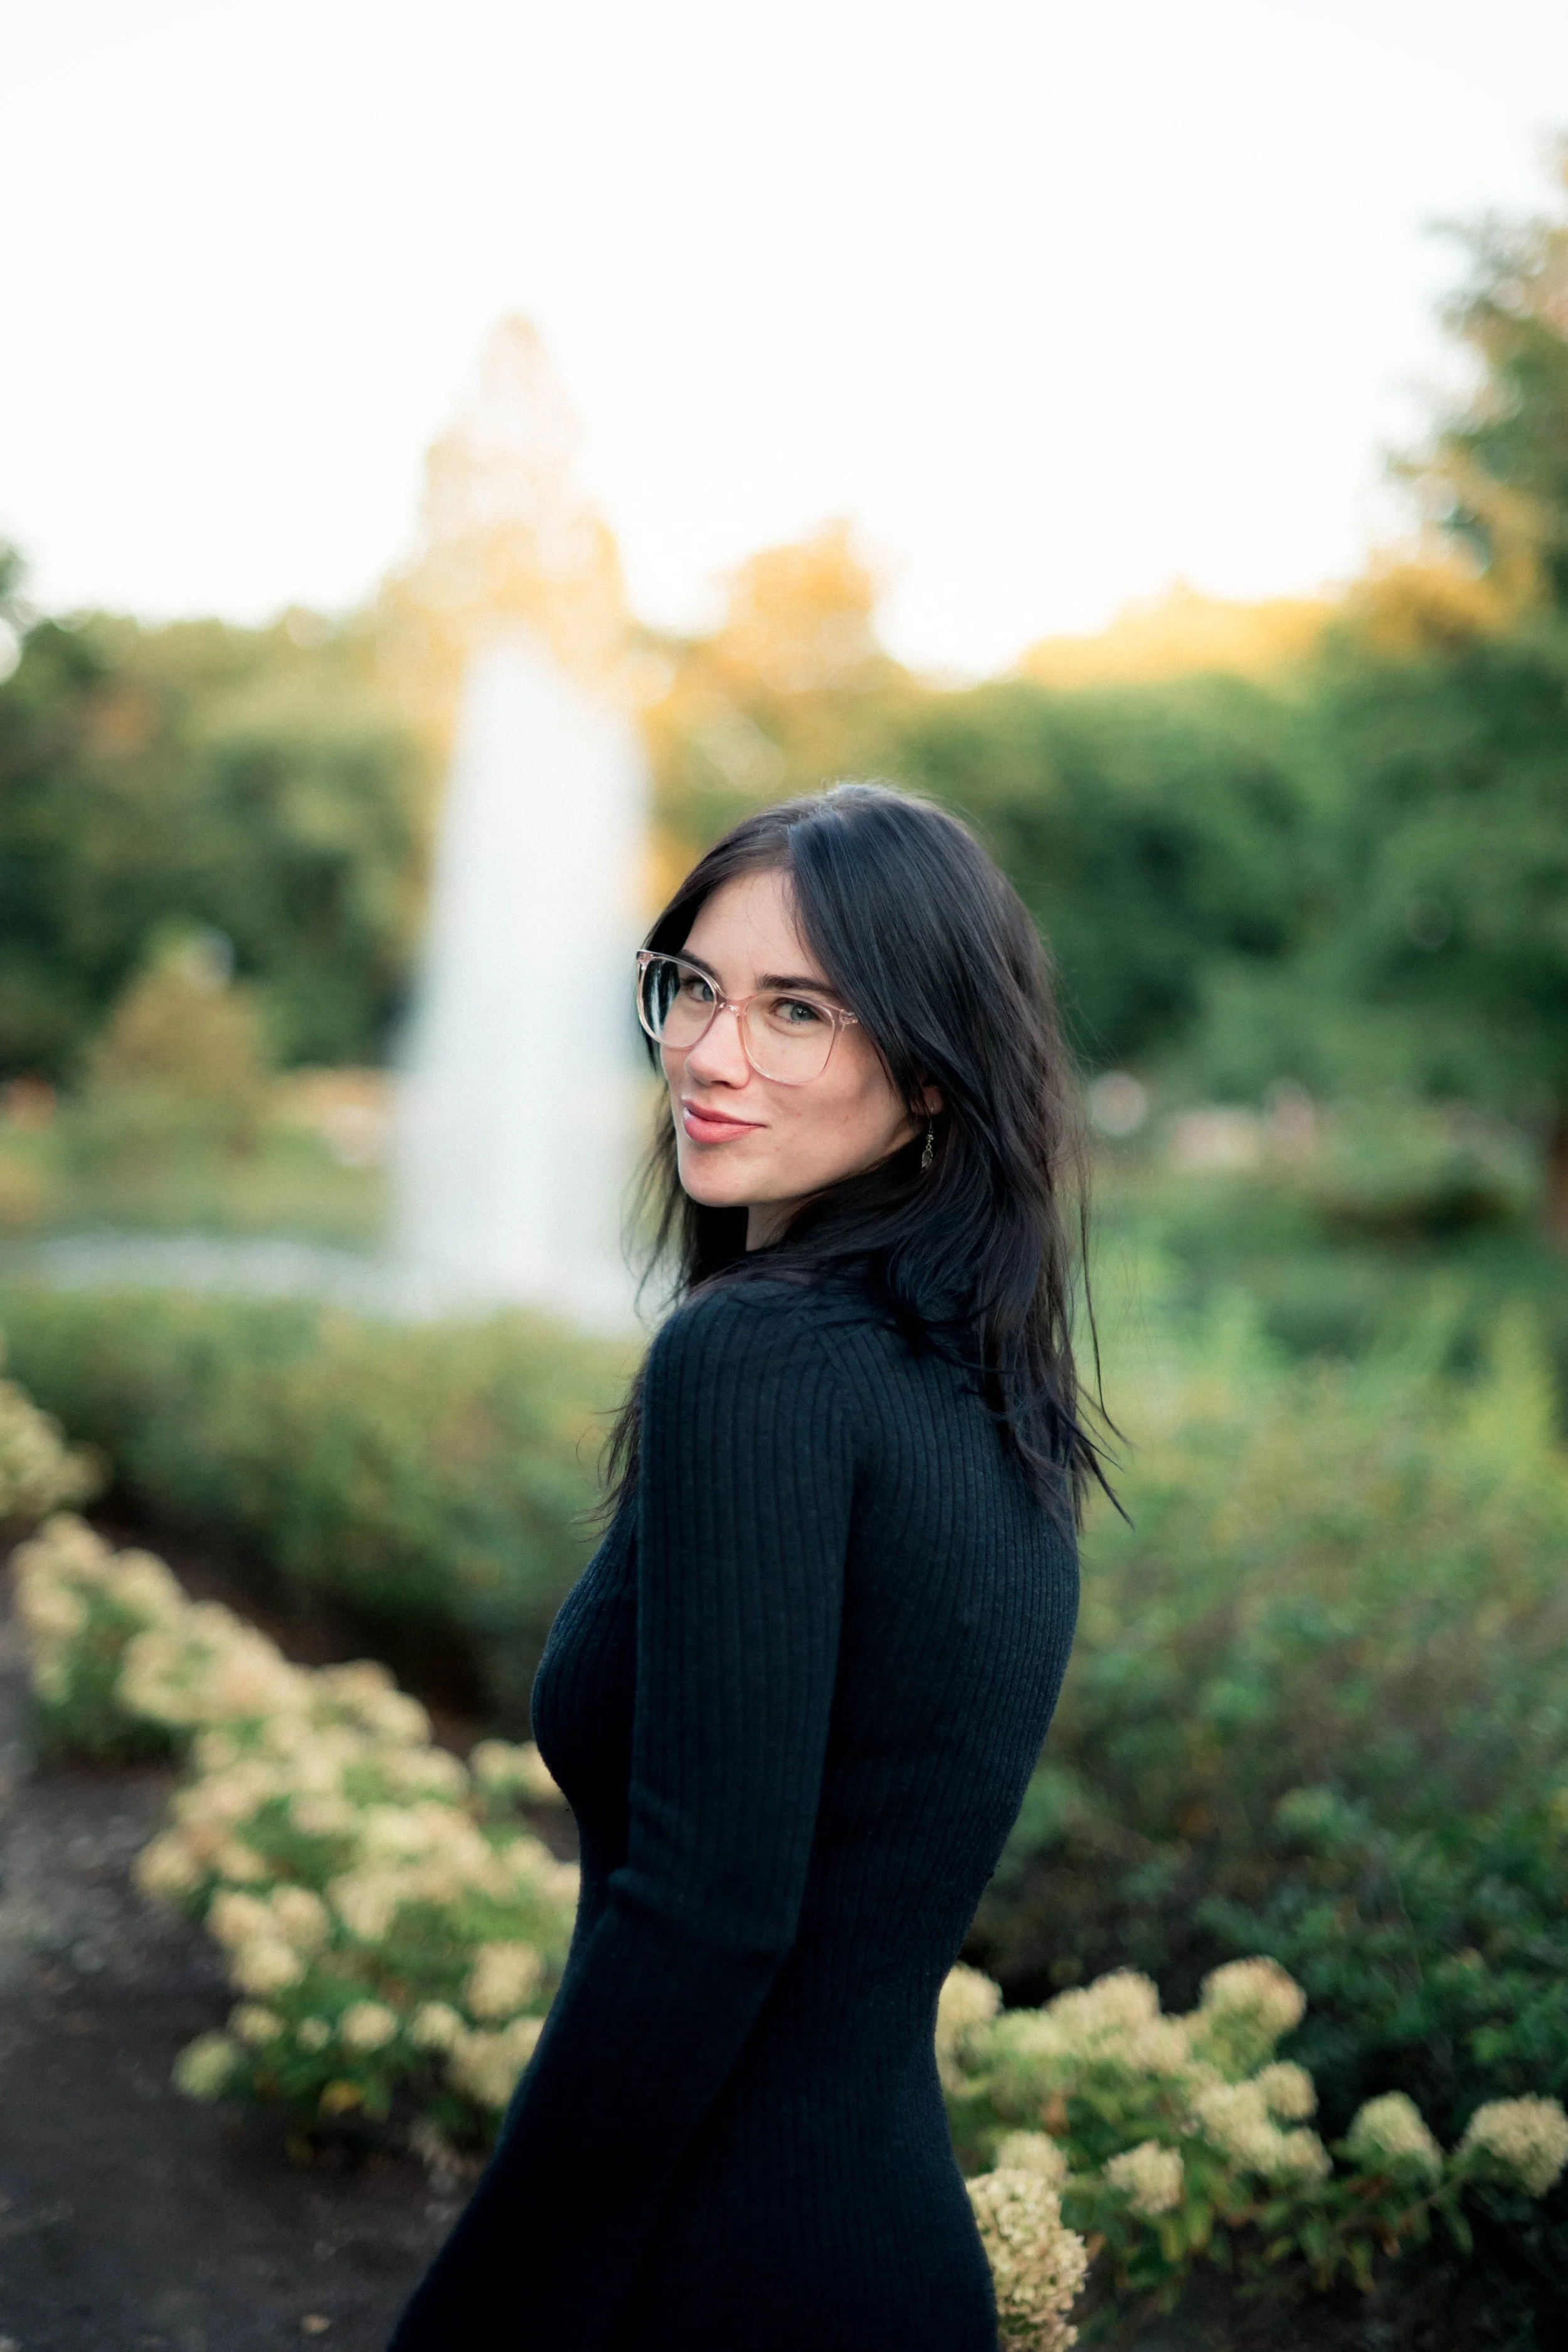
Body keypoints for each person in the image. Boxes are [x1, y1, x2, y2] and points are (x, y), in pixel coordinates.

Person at [389, 781, 1101, 2351]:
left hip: (725, 2270)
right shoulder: (986, 1389)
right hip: (878, 2252)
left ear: (930, 1077)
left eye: (796, 1010)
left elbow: (704, 1916)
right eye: (693, 989)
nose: (710, 1051)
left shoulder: (758, 1359)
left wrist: (481, 2311)